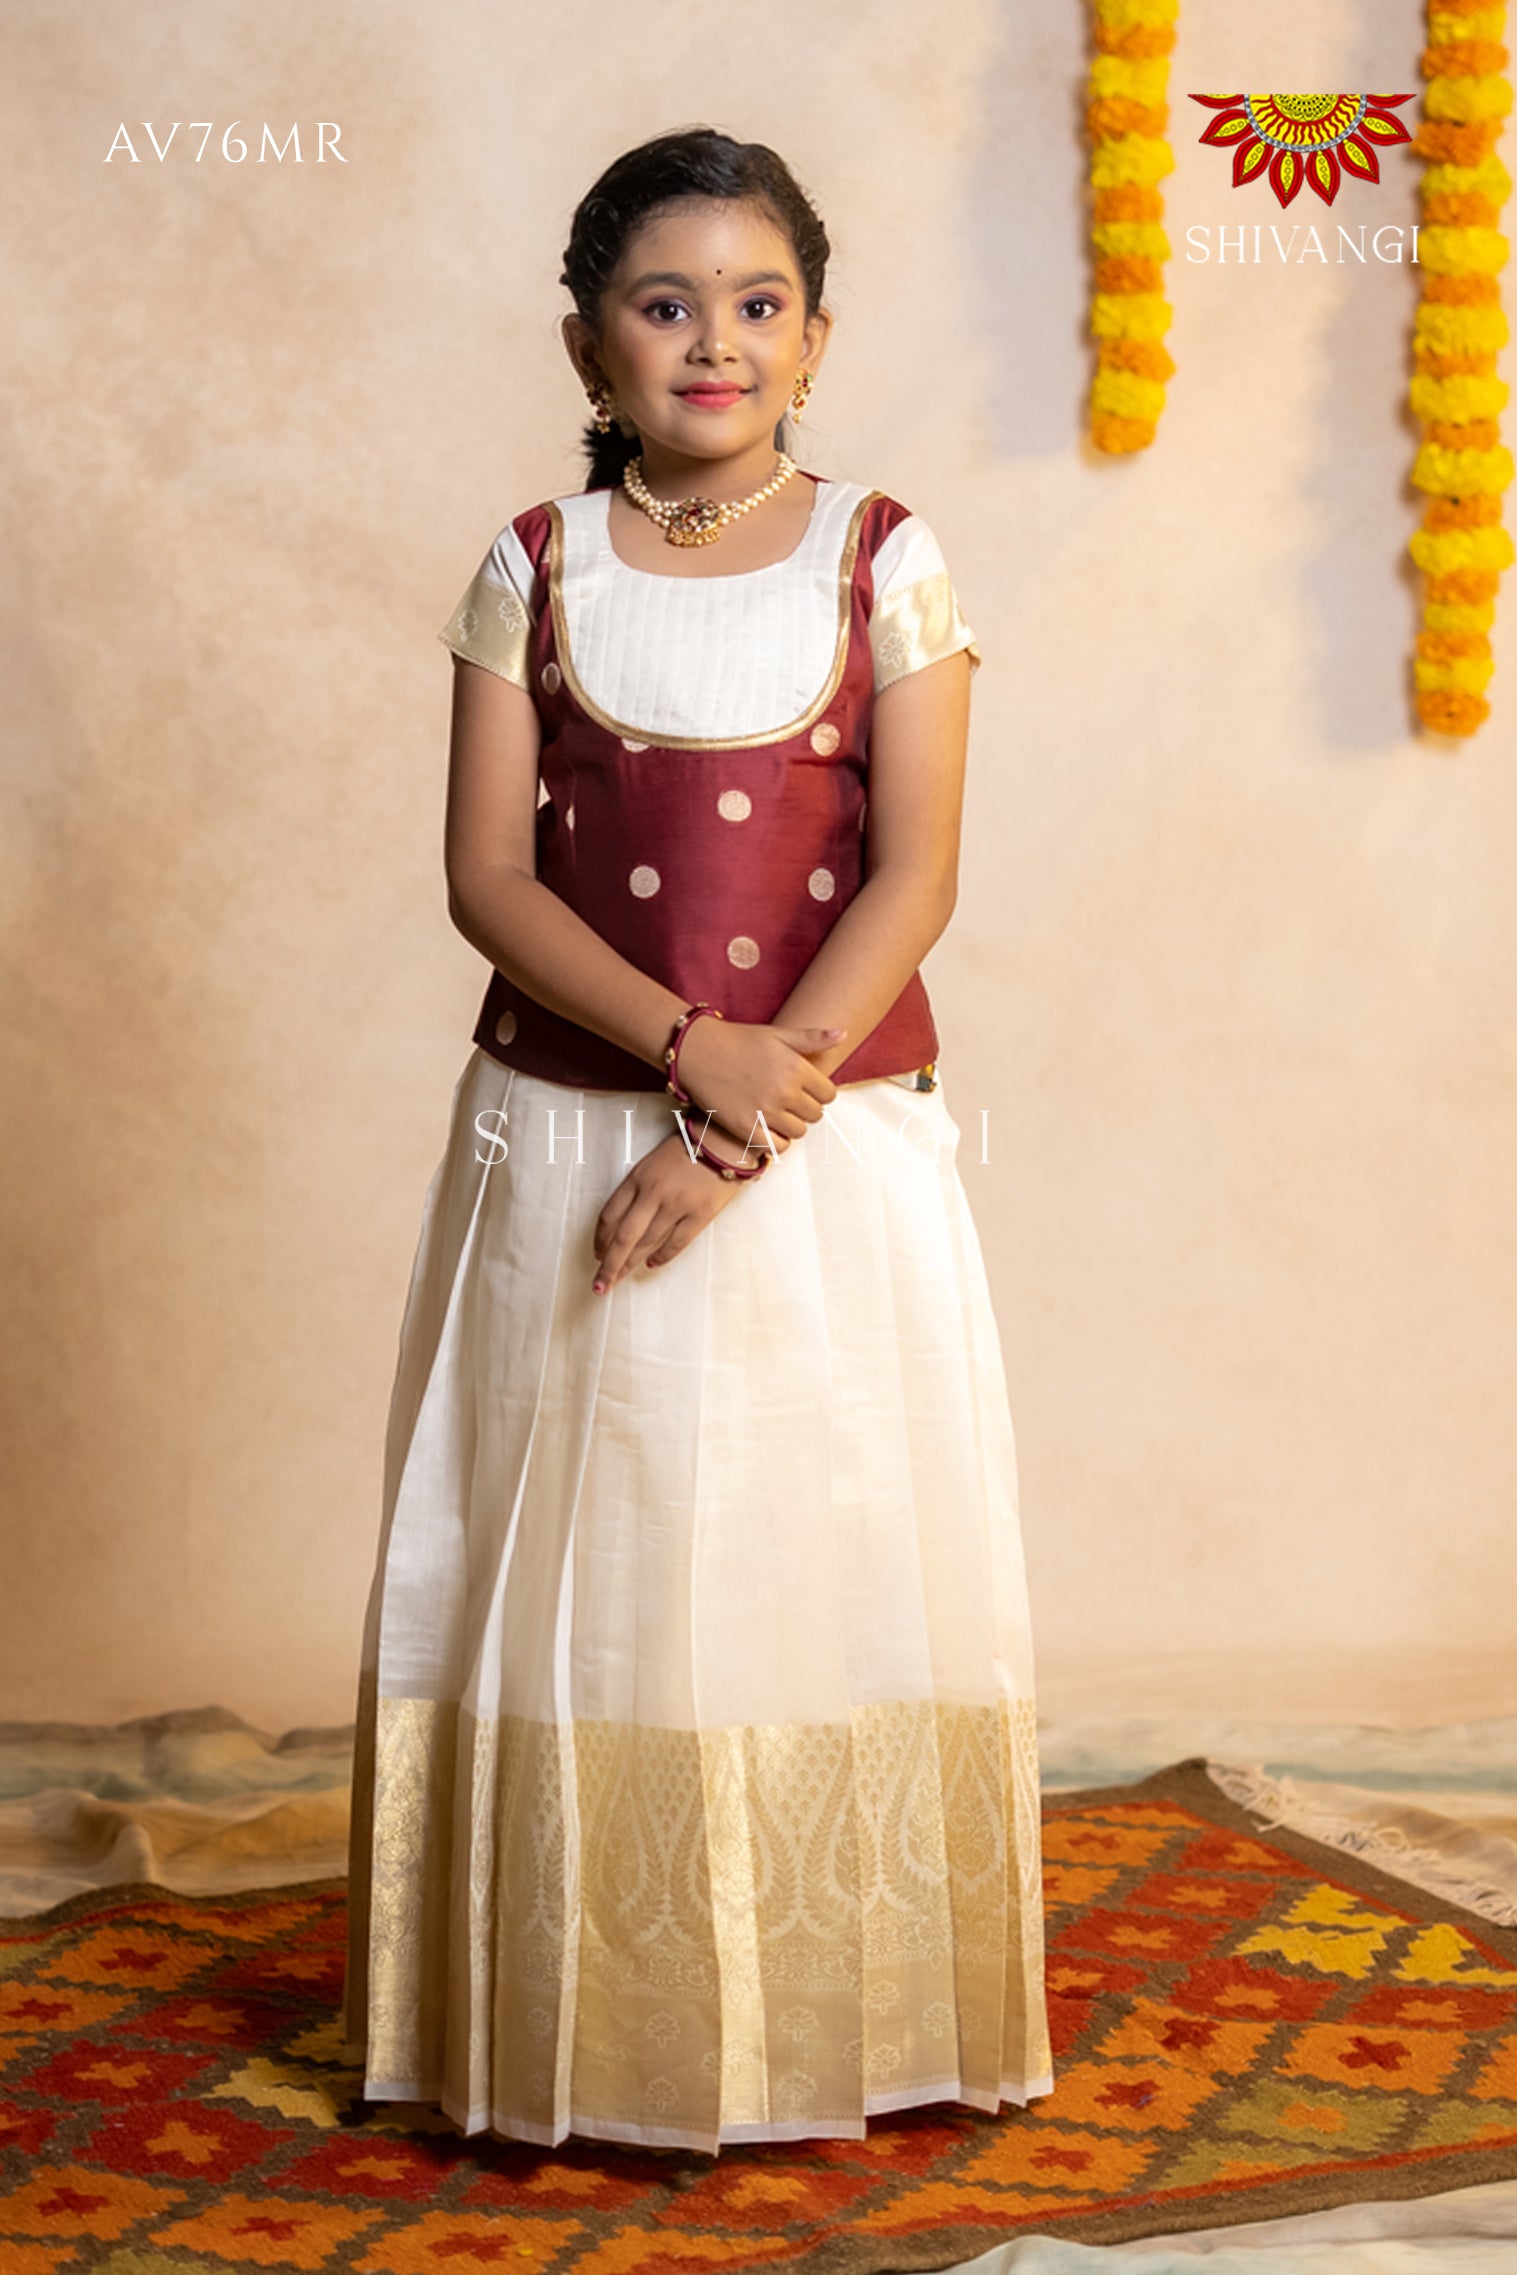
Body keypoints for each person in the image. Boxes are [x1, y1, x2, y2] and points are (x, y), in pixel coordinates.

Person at [342, 124, 1053, 2158]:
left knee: (806, 1526)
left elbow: (914, 876)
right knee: (589, 1531)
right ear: (589, 343)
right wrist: (681, 1051)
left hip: (822, 1151)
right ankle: (585, 2012)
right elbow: (487, 876)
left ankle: (844, 2003)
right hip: (572, 1133)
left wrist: (746, 1120)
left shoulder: (887, 560)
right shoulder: (533, 566)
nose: (714, 342)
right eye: (666, 306)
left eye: (757, 304)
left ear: (817, 337)